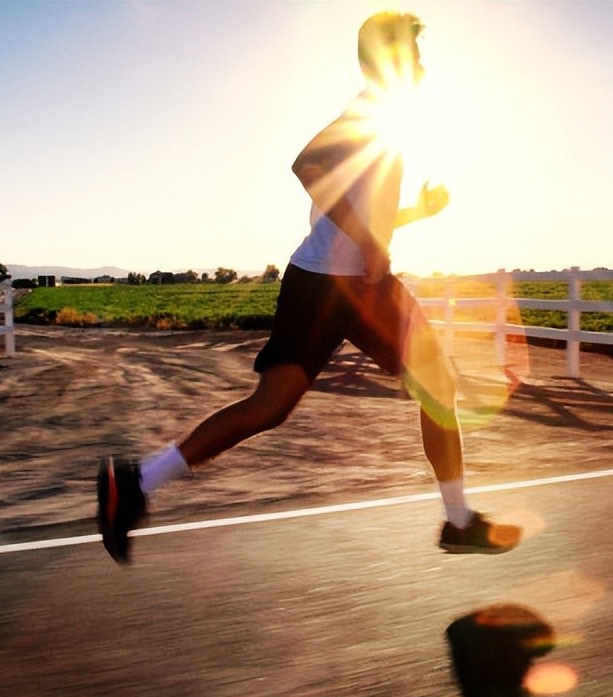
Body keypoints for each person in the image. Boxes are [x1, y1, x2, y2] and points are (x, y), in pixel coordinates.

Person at [96, 11, 522, 564]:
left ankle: (135, 484)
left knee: (295, 404)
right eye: (413, 54)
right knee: (419, 387)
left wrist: (415, 212)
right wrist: (370, 240)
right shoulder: (369, 112)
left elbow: (354, 212)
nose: (421, 64)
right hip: (335, 285)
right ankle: (460, 520)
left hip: (338, 283)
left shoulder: (388, 118)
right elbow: (307, 164)